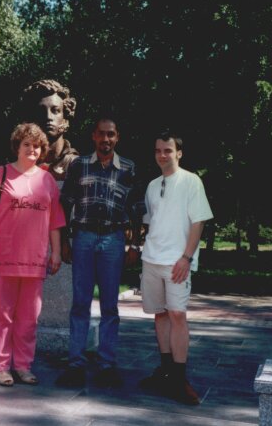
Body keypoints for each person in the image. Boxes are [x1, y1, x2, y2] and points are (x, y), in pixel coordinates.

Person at [0, 123, 65, 387]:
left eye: (37, 145)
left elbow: (55, 221)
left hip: (35, 261)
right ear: (18, 146)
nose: (32, 149)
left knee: (28, 319)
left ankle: (23, 366)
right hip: (2, 259)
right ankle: (1, 367)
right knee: (1, 317)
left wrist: (55, 252)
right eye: (27, 144)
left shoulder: (47, 180)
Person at [55, 117, 141, 388]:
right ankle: (75, 364)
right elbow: (65, 204)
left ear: (117, 137)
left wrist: (135, 245)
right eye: (101, 134)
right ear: (94, 136)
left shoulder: (128, 168)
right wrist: (65, 242)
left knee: (110, 306)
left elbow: (137, 210)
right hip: (83, 239)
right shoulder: (79, 165)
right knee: (80, 303)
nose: (106, 139)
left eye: (111, 135)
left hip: (113, 241)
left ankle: (106, 365)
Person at [139, 131, 213, 405]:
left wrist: (186, 257)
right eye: (158, 150)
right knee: (160, 315)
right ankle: (166, 372)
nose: (162, 155)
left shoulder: (192, 181)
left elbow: (199, 221)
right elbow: (150, 222)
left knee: (178, 315)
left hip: (176, 262)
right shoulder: (151, 185)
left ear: (178, 153)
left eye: (167, 150)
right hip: (152, 259)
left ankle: (180, 379)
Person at [21, 79, 79, 184]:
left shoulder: (79, 167)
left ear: (65, 117)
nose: (48, 117)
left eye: (55, 110)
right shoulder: (19, 166)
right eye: (41, 111)